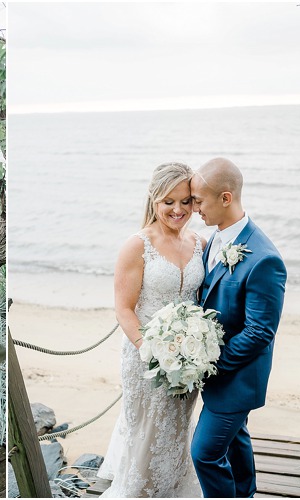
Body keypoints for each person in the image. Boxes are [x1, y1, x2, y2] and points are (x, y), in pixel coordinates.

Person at [97, 162, 205, 497]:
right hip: (146, 360)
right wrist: (154, 353)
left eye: (186, 201)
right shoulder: (137, 245)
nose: (177, 209)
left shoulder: (199, 243)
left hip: (188, 360)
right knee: (147, 437)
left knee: (176, 434)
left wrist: (195, 347)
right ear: (154, 200)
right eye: (168, 201)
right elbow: (124, 309)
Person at [189, 158, 287, 498]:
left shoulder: (264, 258)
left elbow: (260, 331)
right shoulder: (214, 239)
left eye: (199, 200)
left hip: (237, 378)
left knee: (203, 454)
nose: (194, 208)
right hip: (220, 376)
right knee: (235, 442)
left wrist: (211, 366)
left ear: (226, 198)